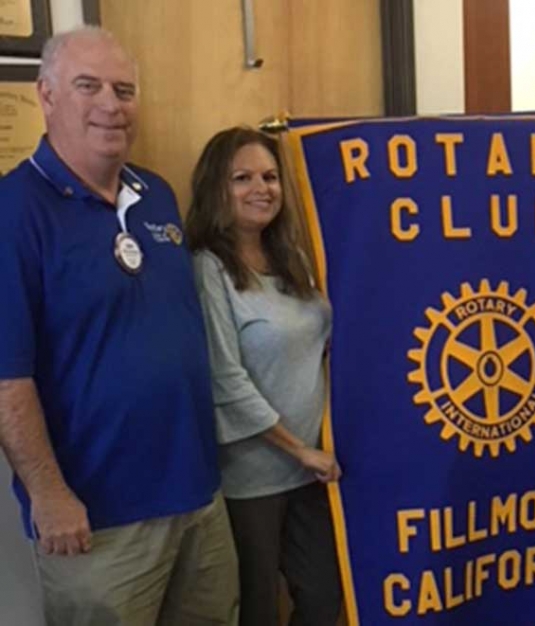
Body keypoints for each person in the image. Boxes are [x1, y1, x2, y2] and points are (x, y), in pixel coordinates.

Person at [0, 27, 238, 625]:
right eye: (89, 86)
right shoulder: (13, 211)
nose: (111, 104)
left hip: (199, 498)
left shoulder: (156, 194)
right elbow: (6, 379)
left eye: (124, 89)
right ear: (47, 95)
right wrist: (50, 498)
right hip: (98, 519)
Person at [185, 126, 343, 626]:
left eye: (271, 176)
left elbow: (325, 343)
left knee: (322, 598)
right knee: (256, 610)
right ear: (217, 188)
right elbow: (225, 378)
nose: (262, 188)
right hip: (252, 475)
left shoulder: (294, 257)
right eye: (242, 177)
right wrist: (298, 448)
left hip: (314, 471)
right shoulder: (206, 267)